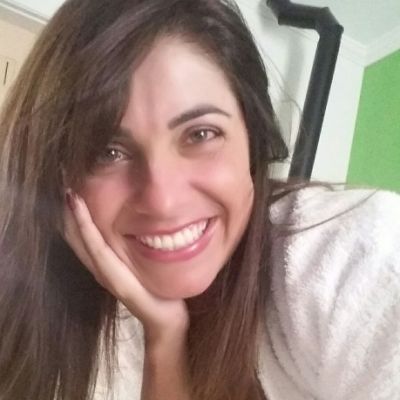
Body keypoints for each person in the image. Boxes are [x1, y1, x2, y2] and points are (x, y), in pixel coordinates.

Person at [0, 0, 399, 399]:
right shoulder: (40, 294)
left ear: (253, 140)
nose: (163, 201)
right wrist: (165, 337)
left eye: (200, 134)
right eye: (109, 152)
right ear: (59, 175)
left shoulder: (355, 253)